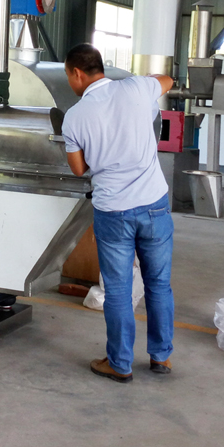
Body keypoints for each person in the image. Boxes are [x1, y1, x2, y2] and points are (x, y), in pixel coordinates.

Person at [60, 43, 176, 383]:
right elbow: (167, 80)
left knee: (119, 290)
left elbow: (79, 169)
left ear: (77, 73)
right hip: (154, 205)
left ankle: (120, 363)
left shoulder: (75, 116)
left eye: (68, 76)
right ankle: (161, 357)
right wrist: (146, 81)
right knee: (158, 284)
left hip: (114, 211)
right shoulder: (136, 88)